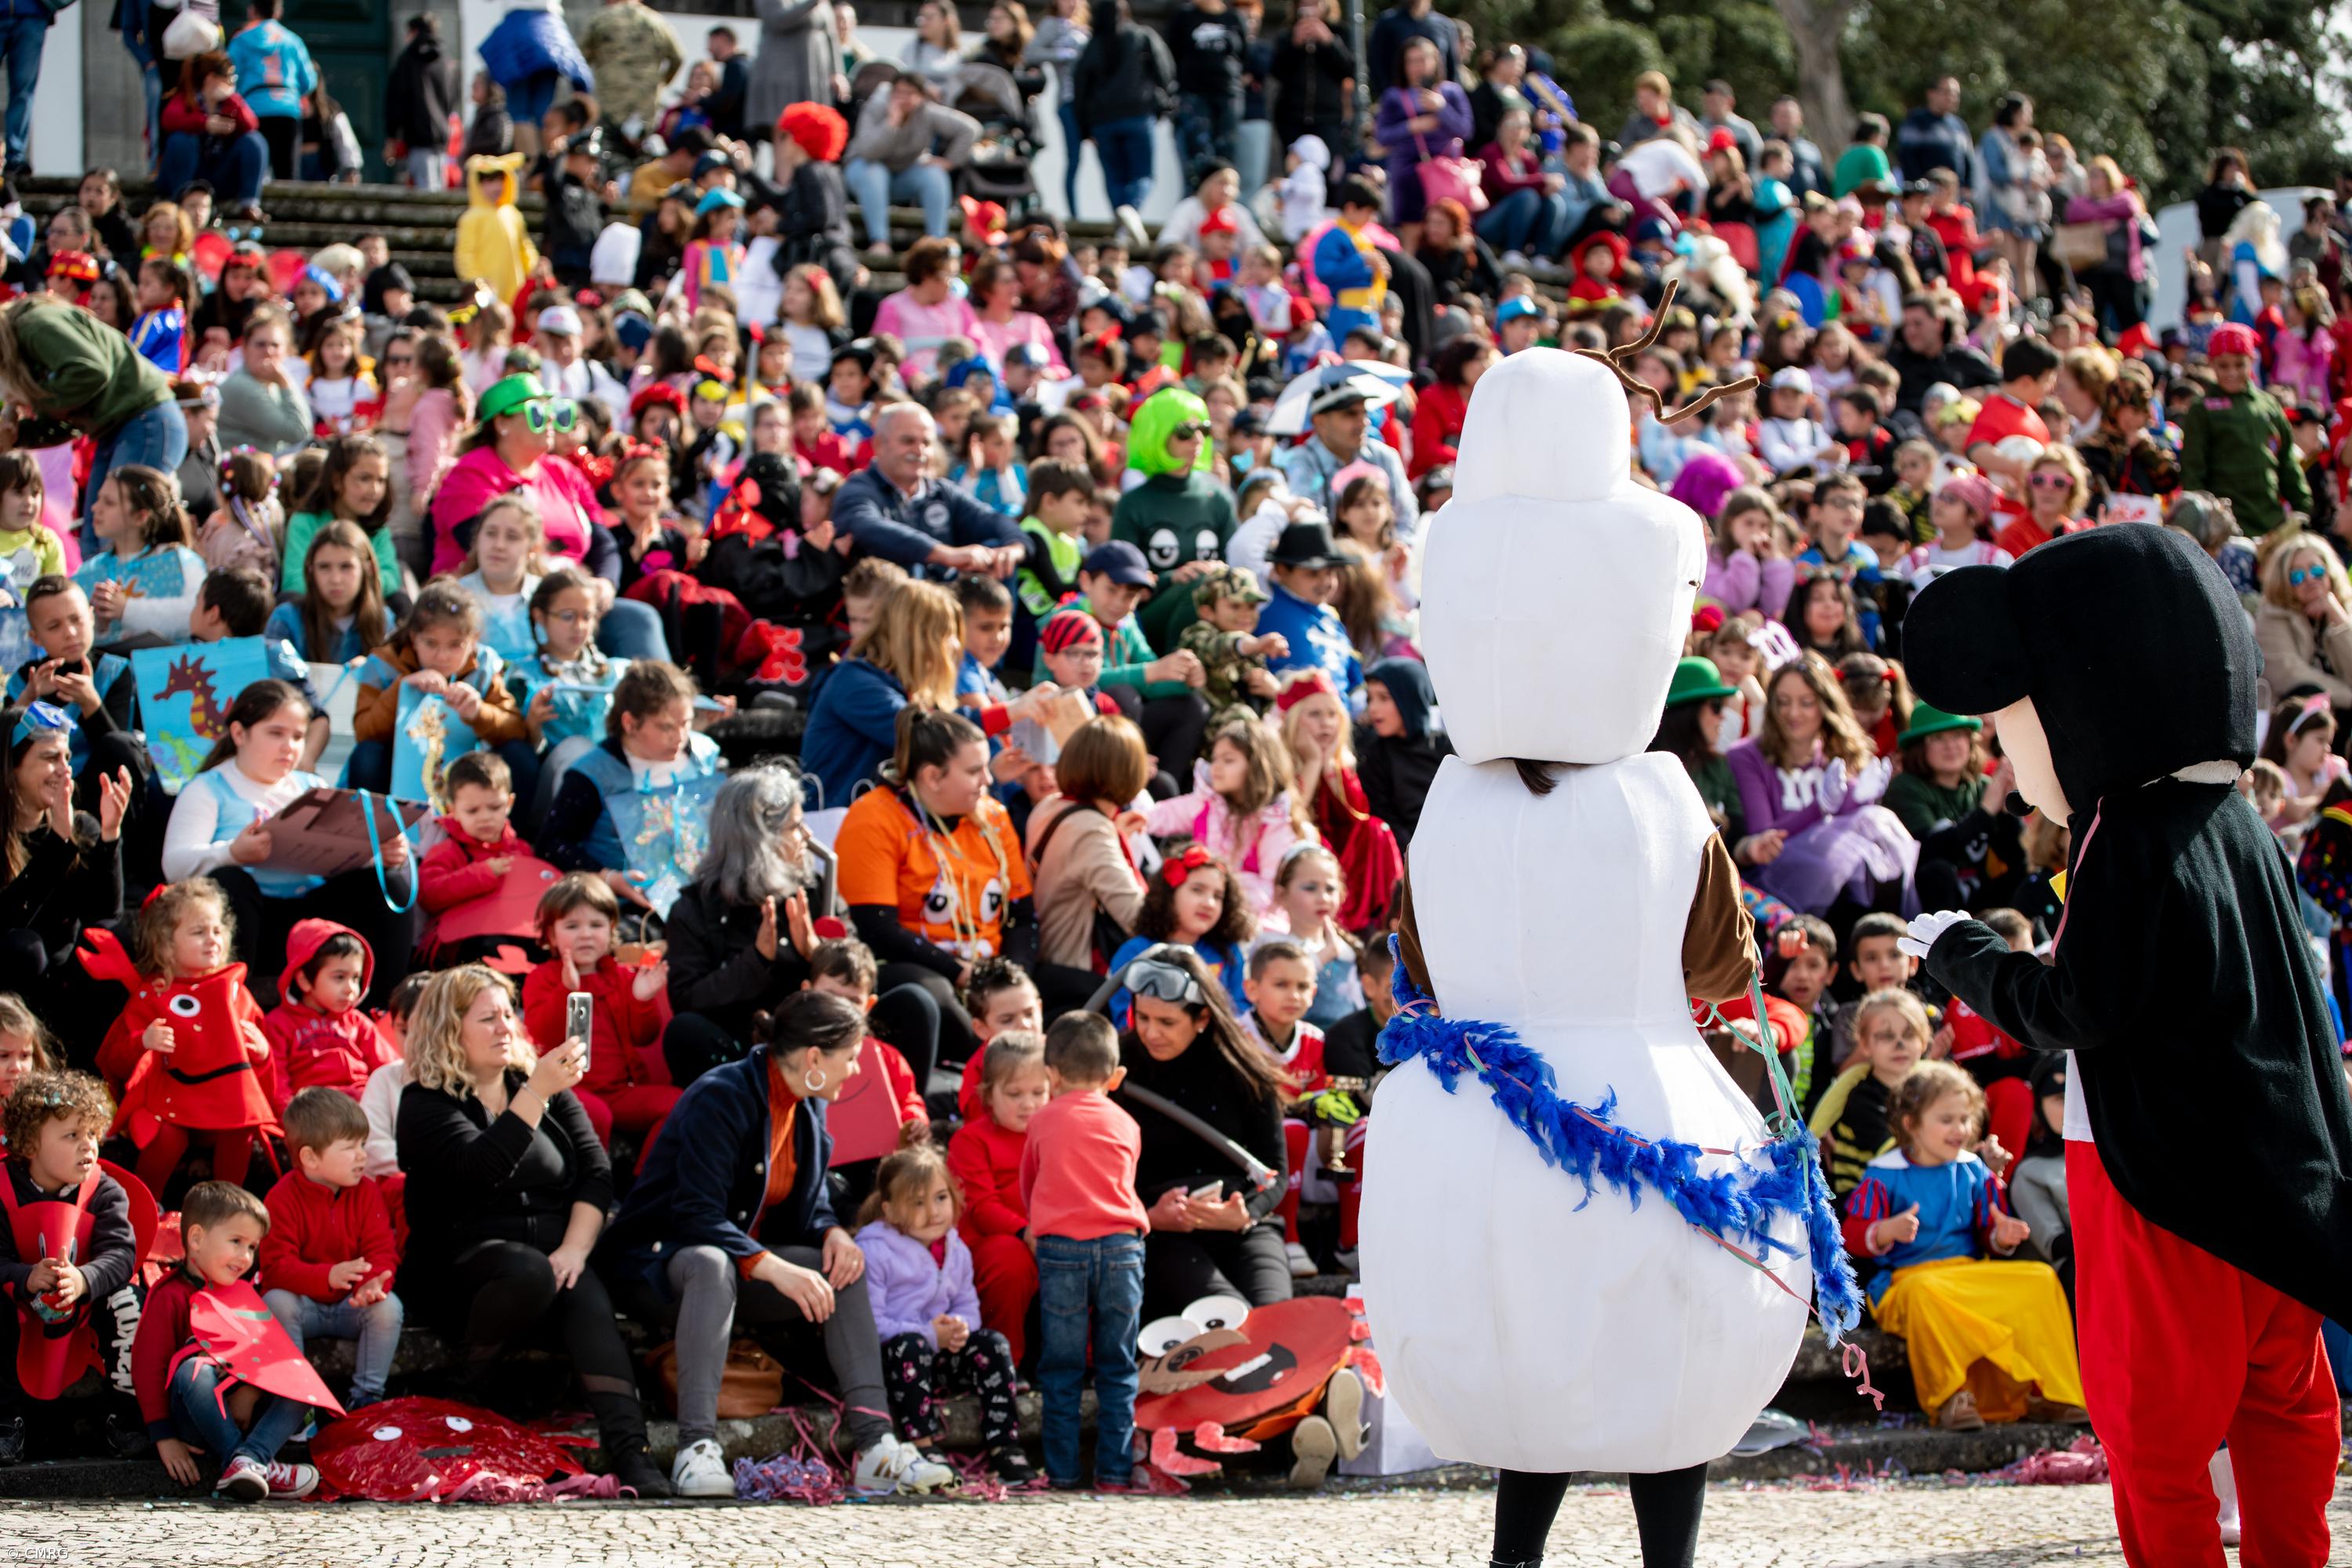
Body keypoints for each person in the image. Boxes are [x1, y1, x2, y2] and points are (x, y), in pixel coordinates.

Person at [1903, 524, 2352, 1566]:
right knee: (2284, 1403)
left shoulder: (2126, 830)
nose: (2015, 769)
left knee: (2156, 1424)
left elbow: (2075, 1008)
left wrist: (1965, 953)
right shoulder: (2234, 816)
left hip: (2162, 1174)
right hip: (2278, 1166)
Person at [595, 990, 956, 1499]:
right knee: (711, 1261)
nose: (856, 1071)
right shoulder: (722, 1094)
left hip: (741, 1268)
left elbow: (810, 1208)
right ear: (814, 1058)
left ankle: (876, 1447)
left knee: (844, 1267)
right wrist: (774, 1267)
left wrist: (833, 1233)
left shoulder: (808, 1104)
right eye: (850, 1057)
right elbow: (696, 1215)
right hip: (657, 1264)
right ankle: (696, 1449)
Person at [394, 965, 669, 1496]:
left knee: (581, 1289)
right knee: (528, 1271)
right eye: (487, 1017)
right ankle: (469, 1393)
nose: (504, 1026)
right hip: (464, 1274)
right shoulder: (426, 1103)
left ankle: (632, 1452)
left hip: (551, 1257)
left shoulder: (537, 1085)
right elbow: (480, 1168)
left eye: (507, 1014)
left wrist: (575, 1247)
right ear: (450, 1029)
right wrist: (537, 1094)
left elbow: (596, 1172)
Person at [1841, 1060, 2084, 1428]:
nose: (1961, 1129)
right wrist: (1886, 1230)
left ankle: (2050, 1393)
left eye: (1965, 1119)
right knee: (1926, 1293)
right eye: (1947, 1120)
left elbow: (1989, 1227)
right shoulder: (1883, 1173)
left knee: (2040, 1278)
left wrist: (2000, 1238)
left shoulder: (1973, 1170)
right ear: (1911, 1124)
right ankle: (1952, 1396)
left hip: (1968, 1275)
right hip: (1907, 1281)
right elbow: (1853, 1235)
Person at [159, 680, 416, 1011]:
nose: (289, 747)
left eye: (297, 737)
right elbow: (174, 865)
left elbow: (339, 857)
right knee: (229, 882)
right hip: (251, 922)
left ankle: (382, 1009)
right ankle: (232, 1002)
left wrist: (379, 857)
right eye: (275, 733)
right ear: (239, 734)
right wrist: (232, 853)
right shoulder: (209, 787)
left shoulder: (313, 787)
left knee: (388, 883)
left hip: (310, 921)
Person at [837, 705, 1031, 1069]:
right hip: (912, 964)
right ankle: (1004, 1070)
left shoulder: (993, 816)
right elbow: (878, 930)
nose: (988, 780)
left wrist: (1014, 979)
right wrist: (961, 971)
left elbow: (1022, 915)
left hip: (989, 966)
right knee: (931, 995)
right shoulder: (873, 817)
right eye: (974, 771)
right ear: (932, 777)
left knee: (1076, 989)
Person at [1114, 942, 1288, 1319]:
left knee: (1275, 1321)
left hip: (1242, 1226)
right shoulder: (1117, 1068)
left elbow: (1276, 1170)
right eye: (1142, 1018)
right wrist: (1148, 1215)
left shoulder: (1245, 1071)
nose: (1150, 1033)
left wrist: (1247, 1214)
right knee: (1229, 1318)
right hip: (1159, 1233)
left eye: (1167, 1023)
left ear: (1202, 1019)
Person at [854, 1144, 1032, 1482]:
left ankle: (1004, 1442)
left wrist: (960, 1328)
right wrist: (927, 1334)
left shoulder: (956, 1249)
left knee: (992, 1343)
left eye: (940, 1198)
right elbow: (871, 1325)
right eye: (917, 1203)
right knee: (910, 1346)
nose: (933, 1212)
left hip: (941, 1355)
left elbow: (968, 1306)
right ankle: (923, 1443)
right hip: (895, 1362)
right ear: (890, 1211)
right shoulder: (875, 1251)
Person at [136, 1182, 323, 1501]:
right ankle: (251, 1460)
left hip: (245, 1410)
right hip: (196, 1417)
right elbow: (147, 1367)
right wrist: (164, 1437)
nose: (245, 1256)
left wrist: (250, 1392)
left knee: (301, 1380)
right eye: (236, 1242)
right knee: (193, 1370)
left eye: (252, 1247)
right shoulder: (169, 1296)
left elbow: (265, 1356)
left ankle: (250, 1458)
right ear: (196, 1239)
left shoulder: (245, 1295)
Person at [1024, 1011, 1148, 1488]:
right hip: (1121, 1247)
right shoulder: (1126, 1122)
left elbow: (1029, 1183)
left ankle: (1061, 1472)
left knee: (1062, 1367)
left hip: (1061, 1250)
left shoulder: (1043, 1120)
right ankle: (1115, 1472)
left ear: (1050, 1074)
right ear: (1115, 1076)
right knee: (1117, 1366)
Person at [1726, 652, 1916, 920]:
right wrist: (1821, 808)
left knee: (1877, 823)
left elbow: (1847, 828)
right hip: (1777, 878)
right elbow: (1765, 839)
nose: (1793, 713)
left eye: (1806, 703)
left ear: (1825, 705)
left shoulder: (1840, 751)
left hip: (1842, 875)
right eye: (1782, 702)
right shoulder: (1746, 755)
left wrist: (1860, 799)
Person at [260, 1088, 403, 1412]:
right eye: (350, 1148)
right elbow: (276, 1267)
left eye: (362, 1145)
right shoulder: (281, 1198)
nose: (362, 1156)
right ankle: (294, 1400)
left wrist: (375, 1284)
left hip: (351, 1306)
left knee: (388, 1309)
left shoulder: (366, 1193)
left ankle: (366, 1398)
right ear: (310, 1157)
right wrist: (328, 1275)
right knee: (275, 1302)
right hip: (304, 1308)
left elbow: (383, 1250)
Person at [0, 295, 185, 543]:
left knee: (116, 535)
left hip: (144, 418)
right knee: (95, 537)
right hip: (117, 426)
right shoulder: (21, 339)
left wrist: (36, 400)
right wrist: (19, 436)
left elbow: (91, 371)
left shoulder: (33, 324)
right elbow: (69, 419)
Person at [522, 874, 677, 1155]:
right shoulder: (541, 979)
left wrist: (641, 999)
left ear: (611, 929)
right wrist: (566, 990)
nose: (586, 934)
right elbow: (540, 1038)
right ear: (551, 934)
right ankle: (593, 1187)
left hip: (620, 1091)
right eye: (572, 926)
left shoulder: (620, 976)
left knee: (678, 1105)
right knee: (597, 1115)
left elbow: (645, 1036)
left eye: (596, 925)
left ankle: (644, 1183)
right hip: (567, 1089)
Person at [831, 403, 1022, 581]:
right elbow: (866, 527)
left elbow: (995, 521)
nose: (919, 451)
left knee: (997, 550)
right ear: (879, 444)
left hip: (946, 608)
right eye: (908, 441)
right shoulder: (857, 489)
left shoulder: (941, 491)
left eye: (927, 442)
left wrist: (1014, 548)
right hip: (885, 609)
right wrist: (943, 554)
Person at [946, 1029, 1046, 1359]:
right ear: (989, 1096)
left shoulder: (1055, 1133)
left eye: (1038, 1092)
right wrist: (1025, 1232)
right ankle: (1004, 1363)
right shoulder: (971, 1140)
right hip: (994, 1242)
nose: (1028, 1104)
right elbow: (982, 1207)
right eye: (1014, 1094)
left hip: (1046, 1233)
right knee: (1009, 1259)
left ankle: (1082, 1361)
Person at [2181, 321, 2309, 537]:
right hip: (2225, 529)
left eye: (2239, 364)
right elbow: (2192, 472)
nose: (2232, 372)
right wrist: (2203, 525)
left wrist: (2302, 506)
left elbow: (2286, 461)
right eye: (2224, 365)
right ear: (2211, 363)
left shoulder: (2268, 405)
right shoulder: (2201, 409)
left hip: (2272, 523)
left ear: (2252, 361)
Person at [260, 920, 398, 1111]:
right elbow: (276, 1083)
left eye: (356, 978)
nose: (351, 989)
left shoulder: (358, 1022)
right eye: (339, 977)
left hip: (365, 1107)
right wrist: (292, 1121)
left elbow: (389, 1069)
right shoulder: (279, 1024)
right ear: (304, 980)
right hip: (316, 1114)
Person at [843, 76, 978, 256]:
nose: (902, 98)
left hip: (903, 175)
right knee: (876, 172)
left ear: (921, 96)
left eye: (909, 93)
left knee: (935, 175)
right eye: (898, 92)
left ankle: (936, 244)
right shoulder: (876, 107)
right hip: (864, 173)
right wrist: (891, 123)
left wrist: (950, 161)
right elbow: (868, 152)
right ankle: (879, 240)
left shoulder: (928, 113)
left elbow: (970, 129)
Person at [1069, 0, 1175, 223]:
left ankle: (1122, 221)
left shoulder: (1093, 46)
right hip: (1138, 115)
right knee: (1143, 174)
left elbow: (1080, 89)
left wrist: (1084, 128)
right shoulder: (1142, 36)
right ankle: (1130, 211)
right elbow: (1165, 71)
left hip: (1103, 122)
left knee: (1114, 177)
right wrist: (1162, 101)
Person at [1374, 37, 1471, 245]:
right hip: (1409, 172)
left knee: (1450, 233)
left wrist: (1442, 109)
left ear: (1435, 60)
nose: (1418, 66)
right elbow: (1382, 136)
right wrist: (1413, 126)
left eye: (1423, 59)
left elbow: (1466, 130)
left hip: (1445, 173)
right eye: (1412, 61)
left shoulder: (1451, 92)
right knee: (1413, 236)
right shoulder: (1394, 96)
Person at [157, 51, 271, 223]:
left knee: (254, 141)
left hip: (220, 172)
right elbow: (169, 119)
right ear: (211, 79)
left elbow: (251, 124)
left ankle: (249, 204)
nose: (232, 84)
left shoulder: (230, 103)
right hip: (189, 173)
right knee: (181, 140)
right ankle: (180, 202)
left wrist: (233, 99)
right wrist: (205, 123)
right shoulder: (186, 98)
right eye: (229, 79)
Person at [2252, 531, 2352, 714]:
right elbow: (2291, 676)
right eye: (2297, 576)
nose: (2310, 580)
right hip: (2297, 720)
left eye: (2317, 571)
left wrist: (2337, 617)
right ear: (2283, 582)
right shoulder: (2272, 617)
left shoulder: (2343, 608)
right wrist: (2347, 696)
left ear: (2330, 572)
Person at [1354, 656, 1448, 847]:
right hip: (1408, 855)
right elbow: (1383, 815)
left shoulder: (1445, 747)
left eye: (1384, 698)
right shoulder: (1373, 754)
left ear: (1410, 698)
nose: (1373, 708)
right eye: (1370, 698)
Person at [224, 0, 317, 182]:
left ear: (252, 11)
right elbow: (308, 81)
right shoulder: (292, 41)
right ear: (279, 12)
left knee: (253, 170)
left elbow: (229, 77)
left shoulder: (241, 40)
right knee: (288, 174)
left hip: (253, 111)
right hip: (287, 110)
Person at [748, 0, 841, 163]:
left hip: (812, 74)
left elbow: (831, 35)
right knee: (784, 128)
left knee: (812, 128)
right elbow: (778, 19)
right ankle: (782, 181)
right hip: (782, 73)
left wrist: (837, 72)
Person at [1164, 0, 1245, 186]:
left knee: (1226, 152)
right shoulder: (1184, 16)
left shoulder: (1234, 17)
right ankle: (1199, 197)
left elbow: (1243, 54)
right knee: (1198, 154)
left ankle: (1222, 204)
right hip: (1194, 94)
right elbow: (1172, 52)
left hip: (1227, 93)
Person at [577, 0, 683, 136]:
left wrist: (582, 93)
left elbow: (579, 59)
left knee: (606, 149)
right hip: (646, 107)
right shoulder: (657, 21)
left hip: (610, 106)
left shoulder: (601, 19)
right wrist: (662, 83)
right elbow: (678, 57)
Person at [387, 15, 462, 191]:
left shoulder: (408, 60)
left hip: (417, 137)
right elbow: (453, 98)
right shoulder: (446, 61)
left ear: (413, 32)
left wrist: (392, 135)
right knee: (438, 188)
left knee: (423, 191)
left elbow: (396, 100)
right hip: (442, 136)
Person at [1895, 75, 1972, 187]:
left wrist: (1968, 186)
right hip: (1924, 194)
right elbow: (1907, 157)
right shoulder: (1916, 121)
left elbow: (1969, 160)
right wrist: (1920, 188)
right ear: (1931, 94)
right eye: (1947, 92)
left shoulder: (1959, 125)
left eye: (1956, 94)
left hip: (1954, 195)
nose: (1952, 97)